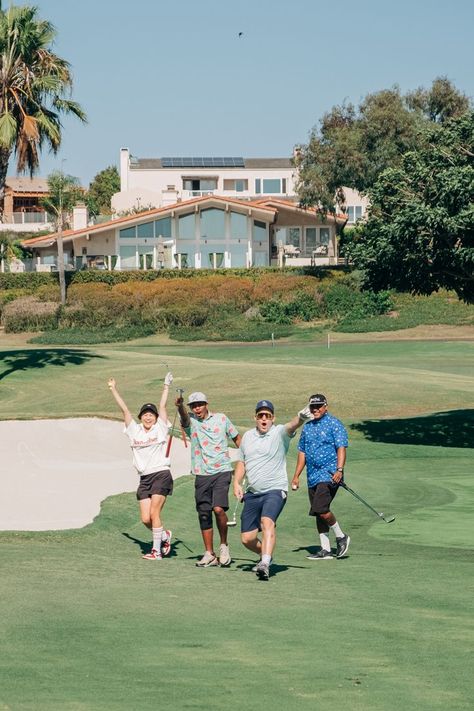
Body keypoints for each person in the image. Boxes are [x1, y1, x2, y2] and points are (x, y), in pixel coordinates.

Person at [233, 399, 311, 581]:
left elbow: (291, 426)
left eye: (267, 416)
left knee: (267, 522)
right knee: (247, 538)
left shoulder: (278, 433)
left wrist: (300, 417)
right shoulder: (248, 438)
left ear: (273, 418)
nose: (264, 419)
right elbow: (242, 462)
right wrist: (236, 482)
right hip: (252, 493)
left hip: (275, 490)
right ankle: (266, 555)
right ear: (255, 418)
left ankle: (265, 564)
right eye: (260, 416)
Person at [108, 372, 174, 561]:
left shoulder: (160, 429)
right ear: (141, 417)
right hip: (144, 478)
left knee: (155, 513)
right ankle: (164, 536)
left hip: (161, 473)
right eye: (145, 414)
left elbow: (162, 406)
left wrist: (166, 386)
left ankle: (156, 552)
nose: (148, 417)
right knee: (146, 519)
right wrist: (114, 389)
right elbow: (125, 411)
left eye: (151, 415)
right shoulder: (134, 431)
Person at [177, 392, 241, 567]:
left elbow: (236, 438)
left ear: (206, 404)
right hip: (202, 473)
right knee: (204, 513)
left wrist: (246, 457)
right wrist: (180, 406)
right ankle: (209, 554)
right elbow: (183, 418)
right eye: (193, 406)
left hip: (222, 470)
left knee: (219, 509)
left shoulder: (221, 419)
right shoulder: (191, 422)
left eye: (200, 404)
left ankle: (224, 546)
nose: (197, 408)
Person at [291, 393, 350, 560]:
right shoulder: (307, 427)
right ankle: (325, 549)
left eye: (319, 406)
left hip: (330, 474)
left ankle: (341, 536)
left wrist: (339, 470)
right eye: (312, 407)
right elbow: (302, 452)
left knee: (321, 509)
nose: (315, 409)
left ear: (326, 406)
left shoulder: (334, 424)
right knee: (318, 513)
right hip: (312, 476)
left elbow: (341, 447)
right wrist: (296, 476)